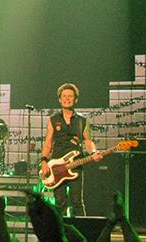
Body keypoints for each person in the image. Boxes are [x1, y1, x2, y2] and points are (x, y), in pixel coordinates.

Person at [40, 83, 101, 217]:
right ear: (60, 99)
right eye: (64, 96)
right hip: (57, 167)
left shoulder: (82, 121)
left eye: (70, 96)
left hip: (76, 165)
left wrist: (94, 152)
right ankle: (59, 233)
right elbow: (48, 143)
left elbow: (88, 141)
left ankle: (82, 232)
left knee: (77, 202)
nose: (67, 99)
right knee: (60, 202)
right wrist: (44, 161)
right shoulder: (53, 120)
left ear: (75, 99)